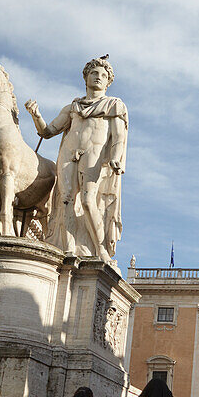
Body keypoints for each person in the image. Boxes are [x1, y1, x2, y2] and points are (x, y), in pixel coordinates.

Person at [27, 55, 128, 260]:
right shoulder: (73, 107)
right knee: (66, 200)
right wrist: (36, 115)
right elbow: (47, 132)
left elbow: (118, 137)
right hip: (68, 153)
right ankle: (69, 249)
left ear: (108, 82)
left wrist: (116, 157)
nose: (98, 77)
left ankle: (101, 250)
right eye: (94, 73)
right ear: (86, 78)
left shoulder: (114, 105)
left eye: (103, 75)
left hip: (94, 153)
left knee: (89, 200)